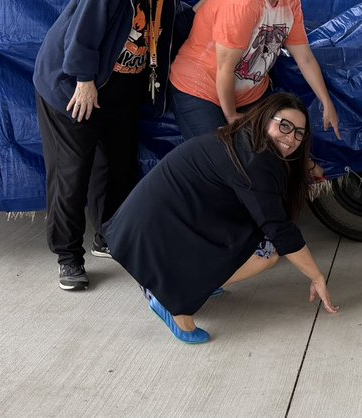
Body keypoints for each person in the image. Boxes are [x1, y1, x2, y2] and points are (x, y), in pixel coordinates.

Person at [34, 0, 195, 293]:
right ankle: (68, 257)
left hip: (121, 87)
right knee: (72, 172)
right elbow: (83, 29)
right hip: (73, 85)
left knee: (120, 165)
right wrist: (84, 80)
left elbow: (172, 26)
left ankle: (107, 234)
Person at [101, 93, 339, 344]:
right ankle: (171, 300)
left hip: (161, 219)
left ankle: (201, 279)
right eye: (285, 126)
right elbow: (279, 229)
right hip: (154, 228)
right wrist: (316, 276)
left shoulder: (247, 141)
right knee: (267, 254)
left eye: (299, 133)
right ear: (265, 120)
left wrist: (308, 166)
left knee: (253, 236)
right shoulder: (254, 159)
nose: (291, 138)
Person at [169, 0, 340, 142]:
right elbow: (225, 68)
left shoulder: (291, 2)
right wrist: (231, 116)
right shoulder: (244, 4)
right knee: (220, 155)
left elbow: (304, 58)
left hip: (250, 92)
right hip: (201, 88)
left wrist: (327, 103)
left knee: (277, 144)